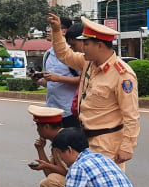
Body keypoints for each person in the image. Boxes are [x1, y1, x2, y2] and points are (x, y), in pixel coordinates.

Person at [47, 14, 140, 169]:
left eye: (86, 44)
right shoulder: (88, 63)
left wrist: (127, 147)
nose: (82, 48)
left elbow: (131, 115)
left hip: (107, 144)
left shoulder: (123, 75)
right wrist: (56, 31)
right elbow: (64, 54)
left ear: (100, 45)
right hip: (84, 140)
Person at [38, 18, 80, 128]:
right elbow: (50, 82)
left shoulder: (74, 54)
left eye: (51, 27)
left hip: (70, 111)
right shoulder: (47, 54)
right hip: (51, 110)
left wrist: (59, 78)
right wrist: (38, 80)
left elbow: (85, 80)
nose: (47, 30)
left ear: (64, 31)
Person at [26, 105, 67, 187]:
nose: (37, 130)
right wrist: (40, 149)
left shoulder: (64, 141)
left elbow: (67, 173)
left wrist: (46, 165)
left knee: (52, 181)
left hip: (84, 185)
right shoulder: (56, 140)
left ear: (46, 127)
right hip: (77, 183)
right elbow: (50, 173)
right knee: (45, 184)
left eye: (38, 126)